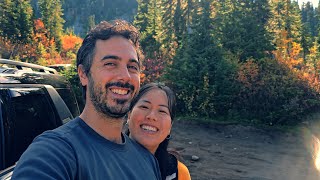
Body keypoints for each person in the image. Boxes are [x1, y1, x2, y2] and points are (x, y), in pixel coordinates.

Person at [11, 20, 161, 180]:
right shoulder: (54, 152)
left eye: (132, 67)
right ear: (83, 74)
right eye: (110, 64)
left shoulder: (147, 160)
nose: (125, 76)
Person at [126, 83, 191, 180]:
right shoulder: (102, 161)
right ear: (129, 115)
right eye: (144, 107)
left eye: (162, 111)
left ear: (170, 126)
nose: (151, 116)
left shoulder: (179, 173)